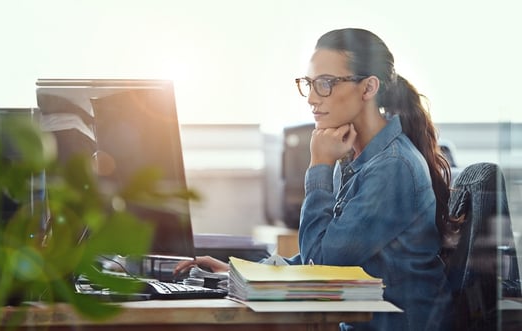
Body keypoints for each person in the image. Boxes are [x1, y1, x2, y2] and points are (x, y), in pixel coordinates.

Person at [175, 28, 454, 331]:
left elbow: (322, 264)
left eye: (325, 84)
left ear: (369, 87)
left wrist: (319, 164)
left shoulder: (392, 167)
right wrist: (241, 274)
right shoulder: (356, 157)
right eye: (308, 84)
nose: (310, 98)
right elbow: (323, 256)